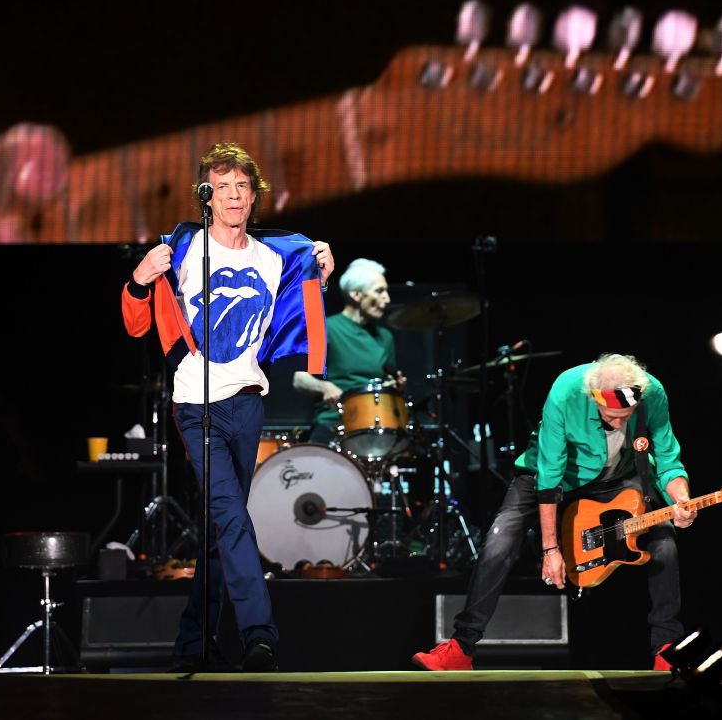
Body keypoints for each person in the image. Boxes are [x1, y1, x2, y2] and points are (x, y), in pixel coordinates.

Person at [121, 141, 334, 672]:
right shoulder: (183, 251)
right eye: (223, 187)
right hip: (196, 406)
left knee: (223, 529)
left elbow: (298, 308)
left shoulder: (275, 256)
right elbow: (137, 325)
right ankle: (260, 637)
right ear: (207, 196)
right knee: (233, 519)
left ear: (255, 195)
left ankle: (191, 642)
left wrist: (321, 274)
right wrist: (138, 280)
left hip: (247, 403)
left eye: (242, 186)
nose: (234, 196)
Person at [412, 352, 696, 671]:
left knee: (664, 542)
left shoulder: (651, 392)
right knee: (500, 541)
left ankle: (667, 649)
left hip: (620, 476)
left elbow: (668, 458)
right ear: (593, 398)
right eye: (610, 416)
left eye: (626, 417)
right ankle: (460, 648)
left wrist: (681, 499)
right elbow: (549, 476)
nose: (619, 424)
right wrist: (551, 549)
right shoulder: (566, 391)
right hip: (550, 473)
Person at [292, 257, 401, 448]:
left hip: (375, 424)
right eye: (379, 291)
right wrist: (325, 387)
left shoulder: (385, 337)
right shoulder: (326, 329)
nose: (387, 299)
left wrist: (396, 385)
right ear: (356, 294)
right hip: (334, 422)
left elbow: (391, 381)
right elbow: (299, 379)